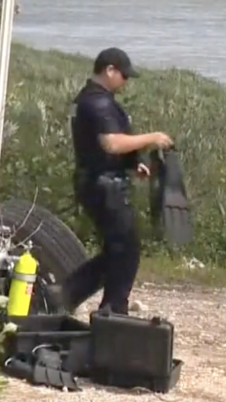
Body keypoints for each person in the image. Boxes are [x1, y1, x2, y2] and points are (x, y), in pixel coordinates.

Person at [49, 47, 174, 315]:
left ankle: (69, 297)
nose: (126, 82)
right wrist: (153, 137)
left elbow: (98, 145)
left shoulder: (88, 99)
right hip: (105, 187)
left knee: (118, 251)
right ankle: (112, 311)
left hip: (98, 182)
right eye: (124, 76)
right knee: (125, 250)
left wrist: (132, 162)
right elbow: (110, 142)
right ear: (109, 70)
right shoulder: (97, 102)